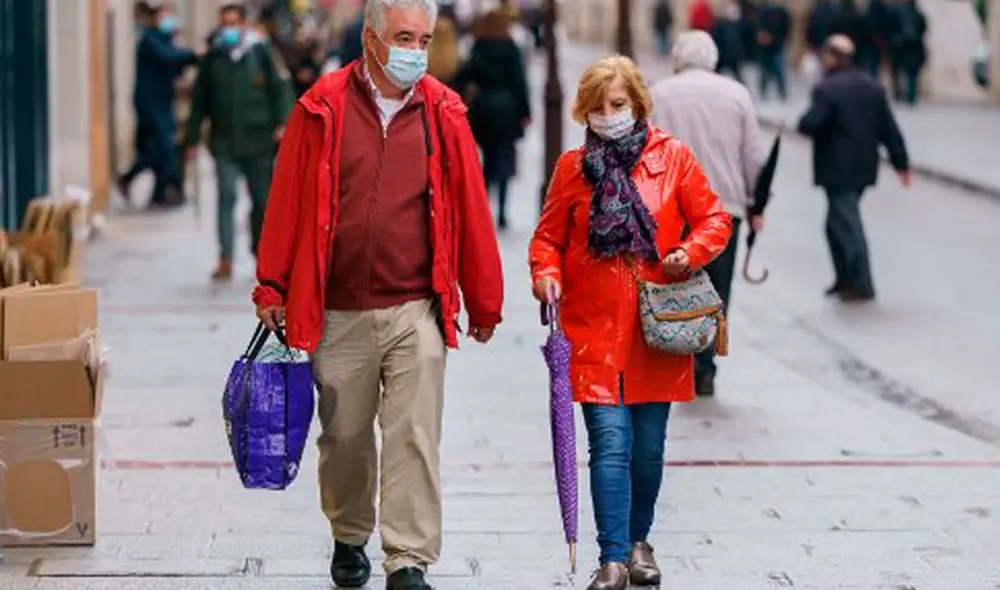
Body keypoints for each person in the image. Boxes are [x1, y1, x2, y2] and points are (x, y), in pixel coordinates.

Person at [252, 0, 504, 587]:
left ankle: (408, 558)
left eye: (423, 38)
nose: (414, 50)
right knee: (344, 436)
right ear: (370, 38)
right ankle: (348, 531)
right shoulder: (321, 108)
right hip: (337, 307)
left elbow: (469, 208)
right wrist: (273, 282)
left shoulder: (444, 112)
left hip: (415, 304)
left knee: (414, 433)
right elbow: (286, 201)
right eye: (402, 37)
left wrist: (484, 299)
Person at [529, 55, 731, 590]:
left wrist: (690, 251)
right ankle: (613, 558)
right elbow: (547, 238)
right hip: (592, 327)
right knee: (609, 444)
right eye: (596, 107)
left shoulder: (674, 159)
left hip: (655, 328)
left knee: (648, 449)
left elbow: (715, 218)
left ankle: (640, 541)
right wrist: (545, 274)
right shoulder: (573, 169)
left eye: (616, 105)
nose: (607, 115)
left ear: (638, 104)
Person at [651, 31, 768, 397]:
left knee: (676, 284)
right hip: (723, 206)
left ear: (678, 58)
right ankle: (704, 365)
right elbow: (753, 156)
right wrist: (755, 204)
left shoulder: (659, 93)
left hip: (672, 206)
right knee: (717, 288)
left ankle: (680, 360)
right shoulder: (736, 94)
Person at [184, 3, 294, 282]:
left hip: (259, 141)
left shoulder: (261, 52)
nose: (228, 29)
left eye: (233, 23)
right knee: (226, 197)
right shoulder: (214, 57)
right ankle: (225, 258)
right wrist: (192, 138)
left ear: (244, 24)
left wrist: (284, 125)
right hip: (224, 141)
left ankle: (261, 255)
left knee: (261, 201)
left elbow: (281, 90)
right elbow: (199, 101)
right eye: (224, 23)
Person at [797, 35, 910, 302]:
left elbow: (809, 124)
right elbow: (889, 129)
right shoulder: (872, 86)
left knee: (847, 224)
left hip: (837, 169)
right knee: (836, 223)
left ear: (830, 57)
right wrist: (901, 162)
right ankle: (844, 279)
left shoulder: (828, 89)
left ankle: (862, 282)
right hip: (863, 168)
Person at [454, 9, 530, 229]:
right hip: (508, 109)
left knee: (487, 160)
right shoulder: (511, 48)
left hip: (485, 109)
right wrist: (525, 111)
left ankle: (485, 208)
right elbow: (519, 82)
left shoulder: (479, 46)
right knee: (505, 160)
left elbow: (464, 76)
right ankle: (503, 213)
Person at [118, 0, 197, 208]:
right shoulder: (150, 40)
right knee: (162, 149)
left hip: (164, 102)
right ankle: (129, 176)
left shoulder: (166, 39)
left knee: (166, 150)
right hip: (150, 103)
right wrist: (193, 54)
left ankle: (159, 194)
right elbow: (168, 58)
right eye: (164, 16)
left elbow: (175, 65)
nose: (168, 20)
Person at [889, 0, 927, 104]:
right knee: (911, 74)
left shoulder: (902, 13)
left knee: (907, 73)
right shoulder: (917, 14)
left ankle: (908, 94)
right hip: (911, 47)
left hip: (906, 47)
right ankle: (909, 95)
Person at [755, 0, 790, 101]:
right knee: (764, 70)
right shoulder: (763, 10)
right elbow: (758, 26)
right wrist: (762, 36)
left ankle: (782, 92)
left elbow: (786, 27)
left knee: (779, 70)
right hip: (765, 45)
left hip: (778, 45)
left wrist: (782, 39)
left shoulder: (782, 12)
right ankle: (763, 91)